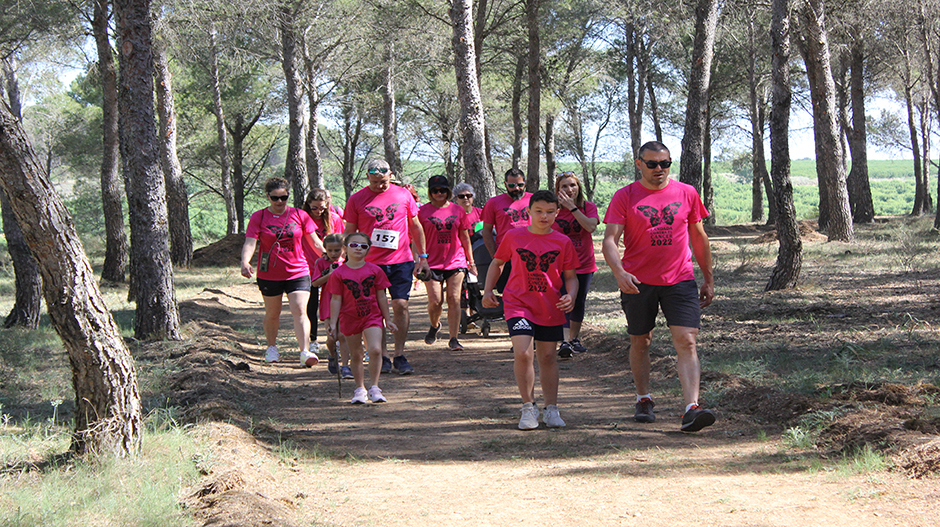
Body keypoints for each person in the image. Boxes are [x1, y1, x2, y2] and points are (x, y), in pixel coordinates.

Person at [601, 141, 716, 433]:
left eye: (665, 164)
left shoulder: (687, 193)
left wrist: (708, 277)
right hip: (638, 282)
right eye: (651, 164)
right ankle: (643, 398)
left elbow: (699, 237)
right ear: (639, 163)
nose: (659, 170)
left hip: (680, 279)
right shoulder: (625, 196)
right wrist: (619, 272)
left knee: (687, 341)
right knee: (641, 341)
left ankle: (691, 407)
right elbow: (610, 240)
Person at [482, 190, 580, 430]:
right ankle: (528, 408)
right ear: (529, 212)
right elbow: (498, 262)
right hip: (518, 303)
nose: (543, 216)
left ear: (557, 213)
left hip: (550, 306)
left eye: (549, 212)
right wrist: (487, 290)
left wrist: (571, 296)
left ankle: (551, 409)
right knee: (524, 353)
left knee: (547, 357)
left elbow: (571, 277)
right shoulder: (514, 237)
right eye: (538, 211)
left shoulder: (562, 241)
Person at [343, 159, 431, 375]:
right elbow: (350, 232)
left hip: (400, 260)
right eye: (374, 182)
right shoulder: (357, 200)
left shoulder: (403, 195)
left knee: (401, 305)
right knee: (375, 310)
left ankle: (399, 354)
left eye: (383, 182)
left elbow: (416, 227)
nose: (379, 186)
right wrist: (349, 259)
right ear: (367, 178)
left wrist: (423, 256)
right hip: (370, 263)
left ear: (390, 175)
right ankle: (381, 355)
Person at [241, 177, 325, 366]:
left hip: (298, 271)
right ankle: (271, 347)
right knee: (273, 312)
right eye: (275, 198)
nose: (280, 202)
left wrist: (330, 257)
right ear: (268, 197)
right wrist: (245, 261)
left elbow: (315, 242)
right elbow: (250, 242)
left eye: (284, 197)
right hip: (269, 273)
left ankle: (304, 351)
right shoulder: (259, 217)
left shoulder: (300, 215)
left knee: (300, 310)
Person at [327, 233, 397, 404]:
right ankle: (360, 389)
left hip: (372, 316)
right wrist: (333, 323)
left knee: (375, 349)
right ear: (345, 248)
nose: (358, 248)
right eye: (354, 245)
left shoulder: (375, 270)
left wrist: (387, 319)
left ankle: (374, 387)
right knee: (356, 353)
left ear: (368, 250)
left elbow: (381, 296)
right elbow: (336, 299)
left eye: (363, 246)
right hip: (349, 317)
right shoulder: (339, 273)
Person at [418, 175, 476, 351]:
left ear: (448, 191)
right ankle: (435, 325)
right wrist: (420, 259)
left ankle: (453, 338)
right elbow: (415, 238)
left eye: (443, 190)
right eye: (435, 191)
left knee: (454, 298)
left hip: (455, 260)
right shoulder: (421, 212)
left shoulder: (458, 210)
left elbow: (465, 237)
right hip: (431, 262)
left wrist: (471, 262)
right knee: (435, 301)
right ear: (430, 192)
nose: (439, 193)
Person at [552, 172, 600, 359]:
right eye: (564, 186)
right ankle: (564, 341)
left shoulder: (588, 207)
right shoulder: (553, 209)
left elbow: (590, 226)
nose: (569, 189)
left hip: (584, 263)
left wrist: (572, 208)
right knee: (564, 299)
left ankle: (574, 339)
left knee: (579, 301)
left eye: (572, 185)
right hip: (560, 264)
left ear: (578, 188)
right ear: (558, 189)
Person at [302, 189, 345, 352]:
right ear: (308, 206)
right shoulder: (304, 219)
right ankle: (312, 339)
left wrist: (339, 258)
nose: (318, 212)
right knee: (310, 304)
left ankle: (340, 335)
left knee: (335, 300)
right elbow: (310, 242)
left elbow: (341, 239)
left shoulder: (334, 219)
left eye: (322, 208)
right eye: (314, 208)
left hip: (333, 266)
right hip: (309, 265)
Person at [310, 233, 352, 379]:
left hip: (346, 302)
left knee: (343, 335)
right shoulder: (321, 263)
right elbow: (315, 283)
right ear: (325, 250)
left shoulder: (349, 262)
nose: (334, 254)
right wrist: (331, 274)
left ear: (344, 249)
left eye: (337, 250)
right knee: (332, 336)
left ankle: (346, 366)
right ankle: (332, 354)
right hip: (328, 302)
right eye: (330, 251)